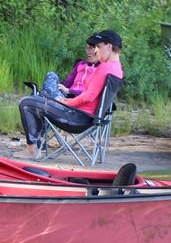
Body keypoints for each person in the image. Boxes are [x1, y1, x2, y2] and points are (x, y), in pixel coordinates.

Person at [19, 29, 124, 159]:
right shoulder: (117, 69)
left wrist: (68, 102)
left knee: (26, 103)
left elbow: (88, 96)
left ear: (109, 47)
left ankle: (32, 149)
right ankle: (36, 145)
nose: (95, 50)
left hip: (76, 117)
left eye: (98, 46)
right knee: (38, 100)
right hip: (87, 117)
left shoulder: (105, 67)